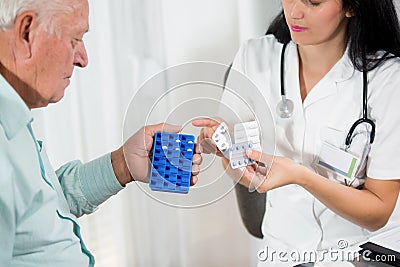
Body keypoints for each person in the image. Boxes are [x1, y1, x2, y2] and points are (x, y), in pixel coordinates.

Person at [193, 0, 400, 265]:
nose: (294, 12)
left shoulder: (388, 81)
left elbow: (378, 212)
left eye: (314, 2)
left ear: (352, 6)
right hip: (283, 251)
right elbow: (244, 174)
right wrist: (226, 151)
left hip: (361, 250)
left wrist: (300, 176)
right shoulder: (255, 58)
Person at [0, 0, 201, 266]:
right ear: (27, 32)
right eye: (74, 39)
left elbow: (40, 211)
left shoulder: (13, 120)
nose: (83, 59)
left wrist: (123, 165)